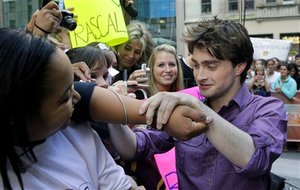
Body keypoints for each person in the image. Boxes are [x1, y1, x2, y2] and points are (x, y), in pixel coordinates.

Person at [0, 28, 208, 190]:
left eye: (76, 86)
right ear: (16, 111)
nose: (77, 97)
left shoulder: (78, 134)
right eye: (64, 97)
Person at [108, 17, 287, 189]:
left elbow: (255, 160)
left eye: (211, 66)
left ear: (239, 66)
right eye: (195, 65)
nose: (200, 76)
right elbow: (134, 148)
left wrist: (199, 109)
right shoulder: (185, 109)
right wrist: (113, 108)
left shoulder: (268, 109)